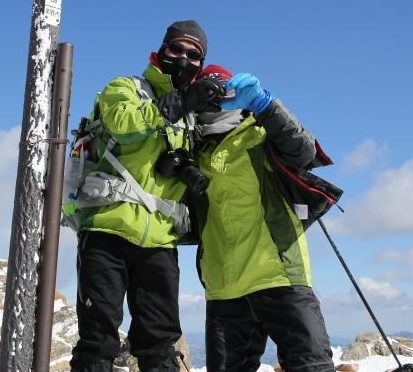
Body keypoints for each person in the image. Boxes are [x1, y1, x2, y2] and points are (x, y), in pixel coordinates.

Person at [69, 21, 225, 372]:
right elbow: (123, 125)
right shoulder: (125, 87)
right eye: (176, 49)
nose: (184, 58)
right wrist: (179, 103)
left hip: (159, 240)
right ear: (160, 51)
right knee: (98, 339)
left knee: (160, 343)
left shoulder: (192, 117)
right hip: (107, 228)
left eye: (194, 54)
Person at [191, 64, 336, 372]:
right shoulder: (194, 151)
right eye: (207, 89)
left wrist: (264, 104)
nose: (216, 95)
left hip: (280, 274)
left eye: (222, 87)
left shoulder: (259, 134)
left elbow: (303, 150)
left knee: (312, 367)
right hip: (224, 286)